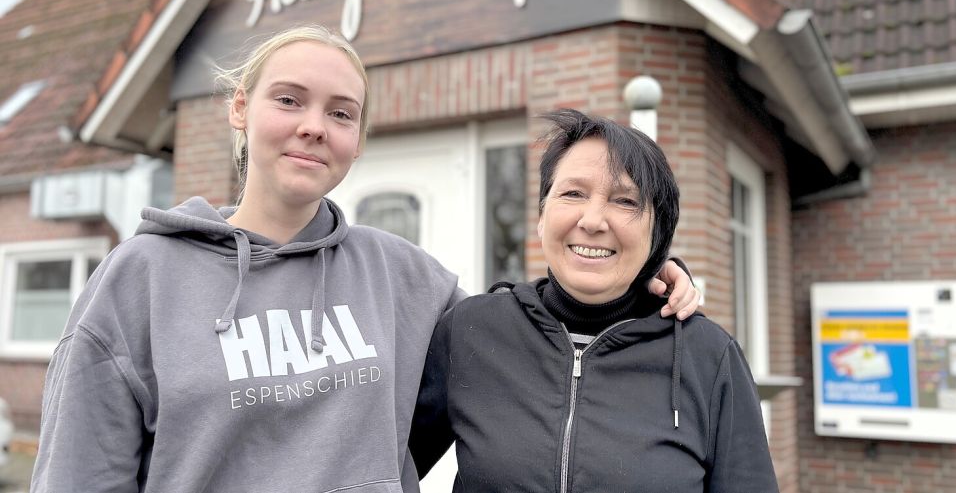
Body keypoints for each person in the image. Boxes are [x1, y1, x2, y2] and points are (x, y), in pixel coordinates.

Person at [31, 26, 698, 492]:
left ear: (357, 139)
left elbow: (526, 329)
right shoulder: (141, 278)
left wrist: (639, 277)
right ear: (240, 108)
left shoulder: (401, 276)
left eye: (341, 112)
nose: (313, 125)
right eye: (288, 99)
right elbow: (79, 474)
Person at [410, 109, 779, 492]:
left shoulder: (708, 357)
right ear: (541, 215)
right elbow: (380, 465)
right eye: (573, 193)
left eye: (624, 201)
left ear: (657, 231)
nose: (593, 220)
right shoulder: (472, 331)